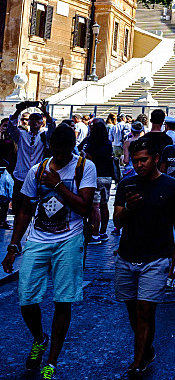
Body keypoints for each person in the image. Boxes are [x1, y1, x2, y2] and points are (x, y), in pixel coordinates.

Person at [2, 122, 96, 380]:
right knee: (26, 297)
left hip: (70, 239)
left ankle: (51, 361)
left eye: (65, 150)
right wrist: (13, 246)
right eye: (56, 149)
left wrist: (58, 185)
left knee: (62, 301)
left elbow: (85, 207)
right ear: (50, 146)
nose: (61, 155)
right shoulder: (37, 169)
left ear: (72, 148)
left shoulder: (84, 167)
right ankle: (39, 338)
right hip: (38, 239)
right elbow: (25, 210)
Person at [113, 136, 175, 378]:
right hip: (127, 256)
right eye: (135, 161)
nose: (139, 165)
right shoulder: (126, 186)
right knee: (133, 311)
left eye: (143, 160)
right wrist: (129, 207)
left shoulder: (173, 187)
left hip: (157, 258)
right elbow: (117, 221)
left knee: (146, 310)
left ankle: (138, 361)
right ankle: (146, 349)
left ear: (156, 158)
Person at [8, 101, 56, 221]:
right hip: (21, 176)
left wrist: (45, 112)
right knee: (18, 206)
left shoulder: (44, 136)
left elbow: (52, 127)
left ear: (41, 122)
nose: (34, 122)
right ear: (28, 122)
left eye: (37, 120)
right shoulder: (21, 135)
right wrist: (20, 110)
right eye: (32, 119)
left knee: (36, 206)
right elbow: (11, 125)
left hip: (37, 176)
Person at [80, 119, 115, 243]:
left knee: (95, 206)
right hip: (107, 176)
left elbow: (86, 159)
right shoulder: (108, 144)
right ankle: (103, 232)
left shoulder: (90, 145)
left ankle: (94, 235)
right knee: (104, 204)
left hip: (94, 176)